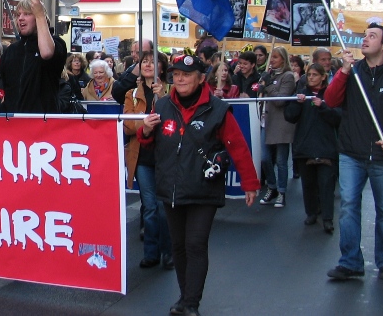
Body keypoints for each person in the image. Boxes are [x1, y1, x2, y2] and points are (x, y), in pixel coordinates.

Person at [139, 55, 259, 316]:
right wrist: (145, 131)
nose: (180, 79)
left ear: (201, 78)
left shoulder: (217, 109)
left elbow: (237, 147)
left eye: (186, 74)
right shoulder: (162, 104)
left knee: (195, 244)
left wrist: (250, 183)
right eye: (176, 74)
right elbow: (148, 143)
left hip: (203, 189)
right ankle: (185, 297)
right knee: (179, 246)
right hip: (172, 188)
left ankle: (191, 302)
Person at [324, 24, 383, 282]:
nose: (365, 39)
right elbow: (331, 101)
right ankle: (350, 261)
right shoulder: (351, 72)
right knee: (349, 207)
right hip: (352, 152)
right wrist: (342, 71)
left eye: (372, 36)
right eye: (364, 35)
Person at [123, 51, 172, 268]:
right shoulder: (132, 94)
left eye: (153, 61)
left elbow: (178, 120)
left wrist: (162, 98)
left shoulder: (172, 92)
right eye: (144, 61)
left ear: (162, 67)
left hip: (167, 157)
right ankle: (151, 252)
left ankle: (169, 252)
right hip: (143, 157)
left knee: (164, 208)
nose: (148, 65)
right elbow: (127, 125)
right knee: (150, 208)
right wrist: (145, 125)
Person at [284, 63, 340, 233]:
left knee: (326, 184)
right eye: (309, 75)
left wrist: (323, 107)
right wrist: (297, 103)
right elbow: (290, 116)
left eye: (315, 75)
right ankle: (311, 213)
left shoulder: (331, 95)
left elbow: (337, 118)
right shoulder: (302, 94)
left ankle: (328, 218)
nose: (311, 78)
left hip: (326, 147)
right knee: (308, 184)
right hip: (305, 147)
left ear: (324, 76)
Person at [0, 0, 67, 114]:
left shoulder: (57, 43)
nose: (20, 18)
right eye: (18, 14)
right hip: (13, 123)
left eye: (27, 14)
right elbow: (2, 86)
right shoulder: (12, 50)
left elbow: (46, 53)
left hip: (42, 123)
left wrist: (40, 15)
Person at [257, 47, 297, 208]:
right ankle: (271, 186)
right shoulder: (269, 75)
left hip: (280, 124)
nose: (272, 60)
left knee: (281, 160)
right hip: (265, 122)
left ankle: (281, 191)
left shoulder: (288, 76)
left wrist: (268, 86)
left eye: (275, 57)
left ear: (283, 59)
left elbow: (281, 99)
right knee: (265, 158)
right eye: (271, 57)